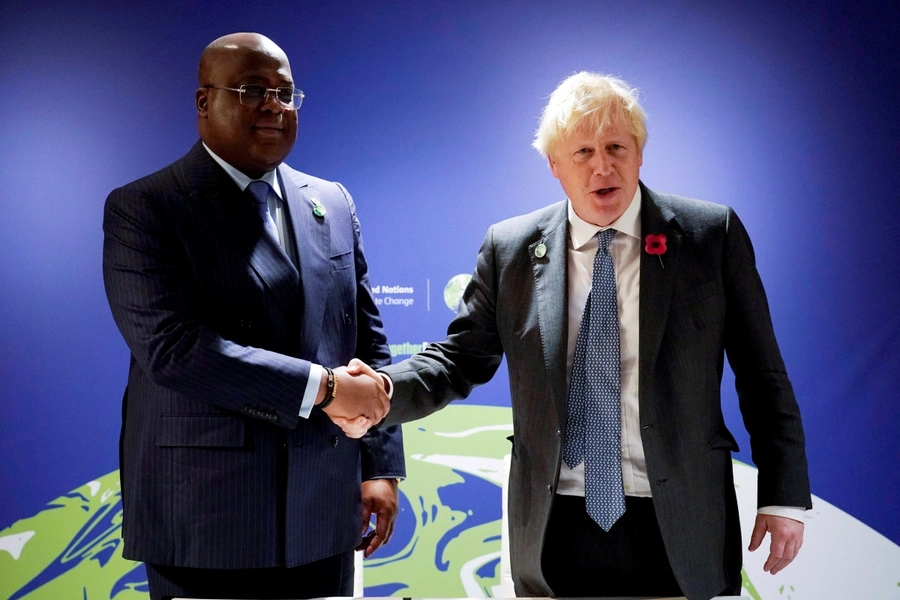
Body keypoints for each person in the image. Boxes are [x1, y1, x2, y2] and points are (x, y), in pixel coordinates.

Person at [349, 72, 811, 599]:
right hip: (555, 524)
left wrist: (783, 496)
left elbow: (762, 375)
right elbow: (460, 359)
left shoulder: (710, 235)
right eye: (583, 151)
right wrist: (383, 392)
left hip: (681, 518)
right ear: (555, 166)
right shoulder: (512, 248)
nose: (602, 166)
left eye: (617, 146)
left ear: (639, 154)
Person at [102, 32, 403, 600]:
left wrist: (380, 466)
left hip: (324, 512)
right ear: (203, 101)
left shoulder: (332, 201)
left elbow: (365, 334)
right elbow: (173, 349)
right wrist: (323, 387)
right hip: (208, 521)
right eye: (252, 89)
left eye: (286, 93)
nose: (274, 105)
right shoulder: (146, 208)